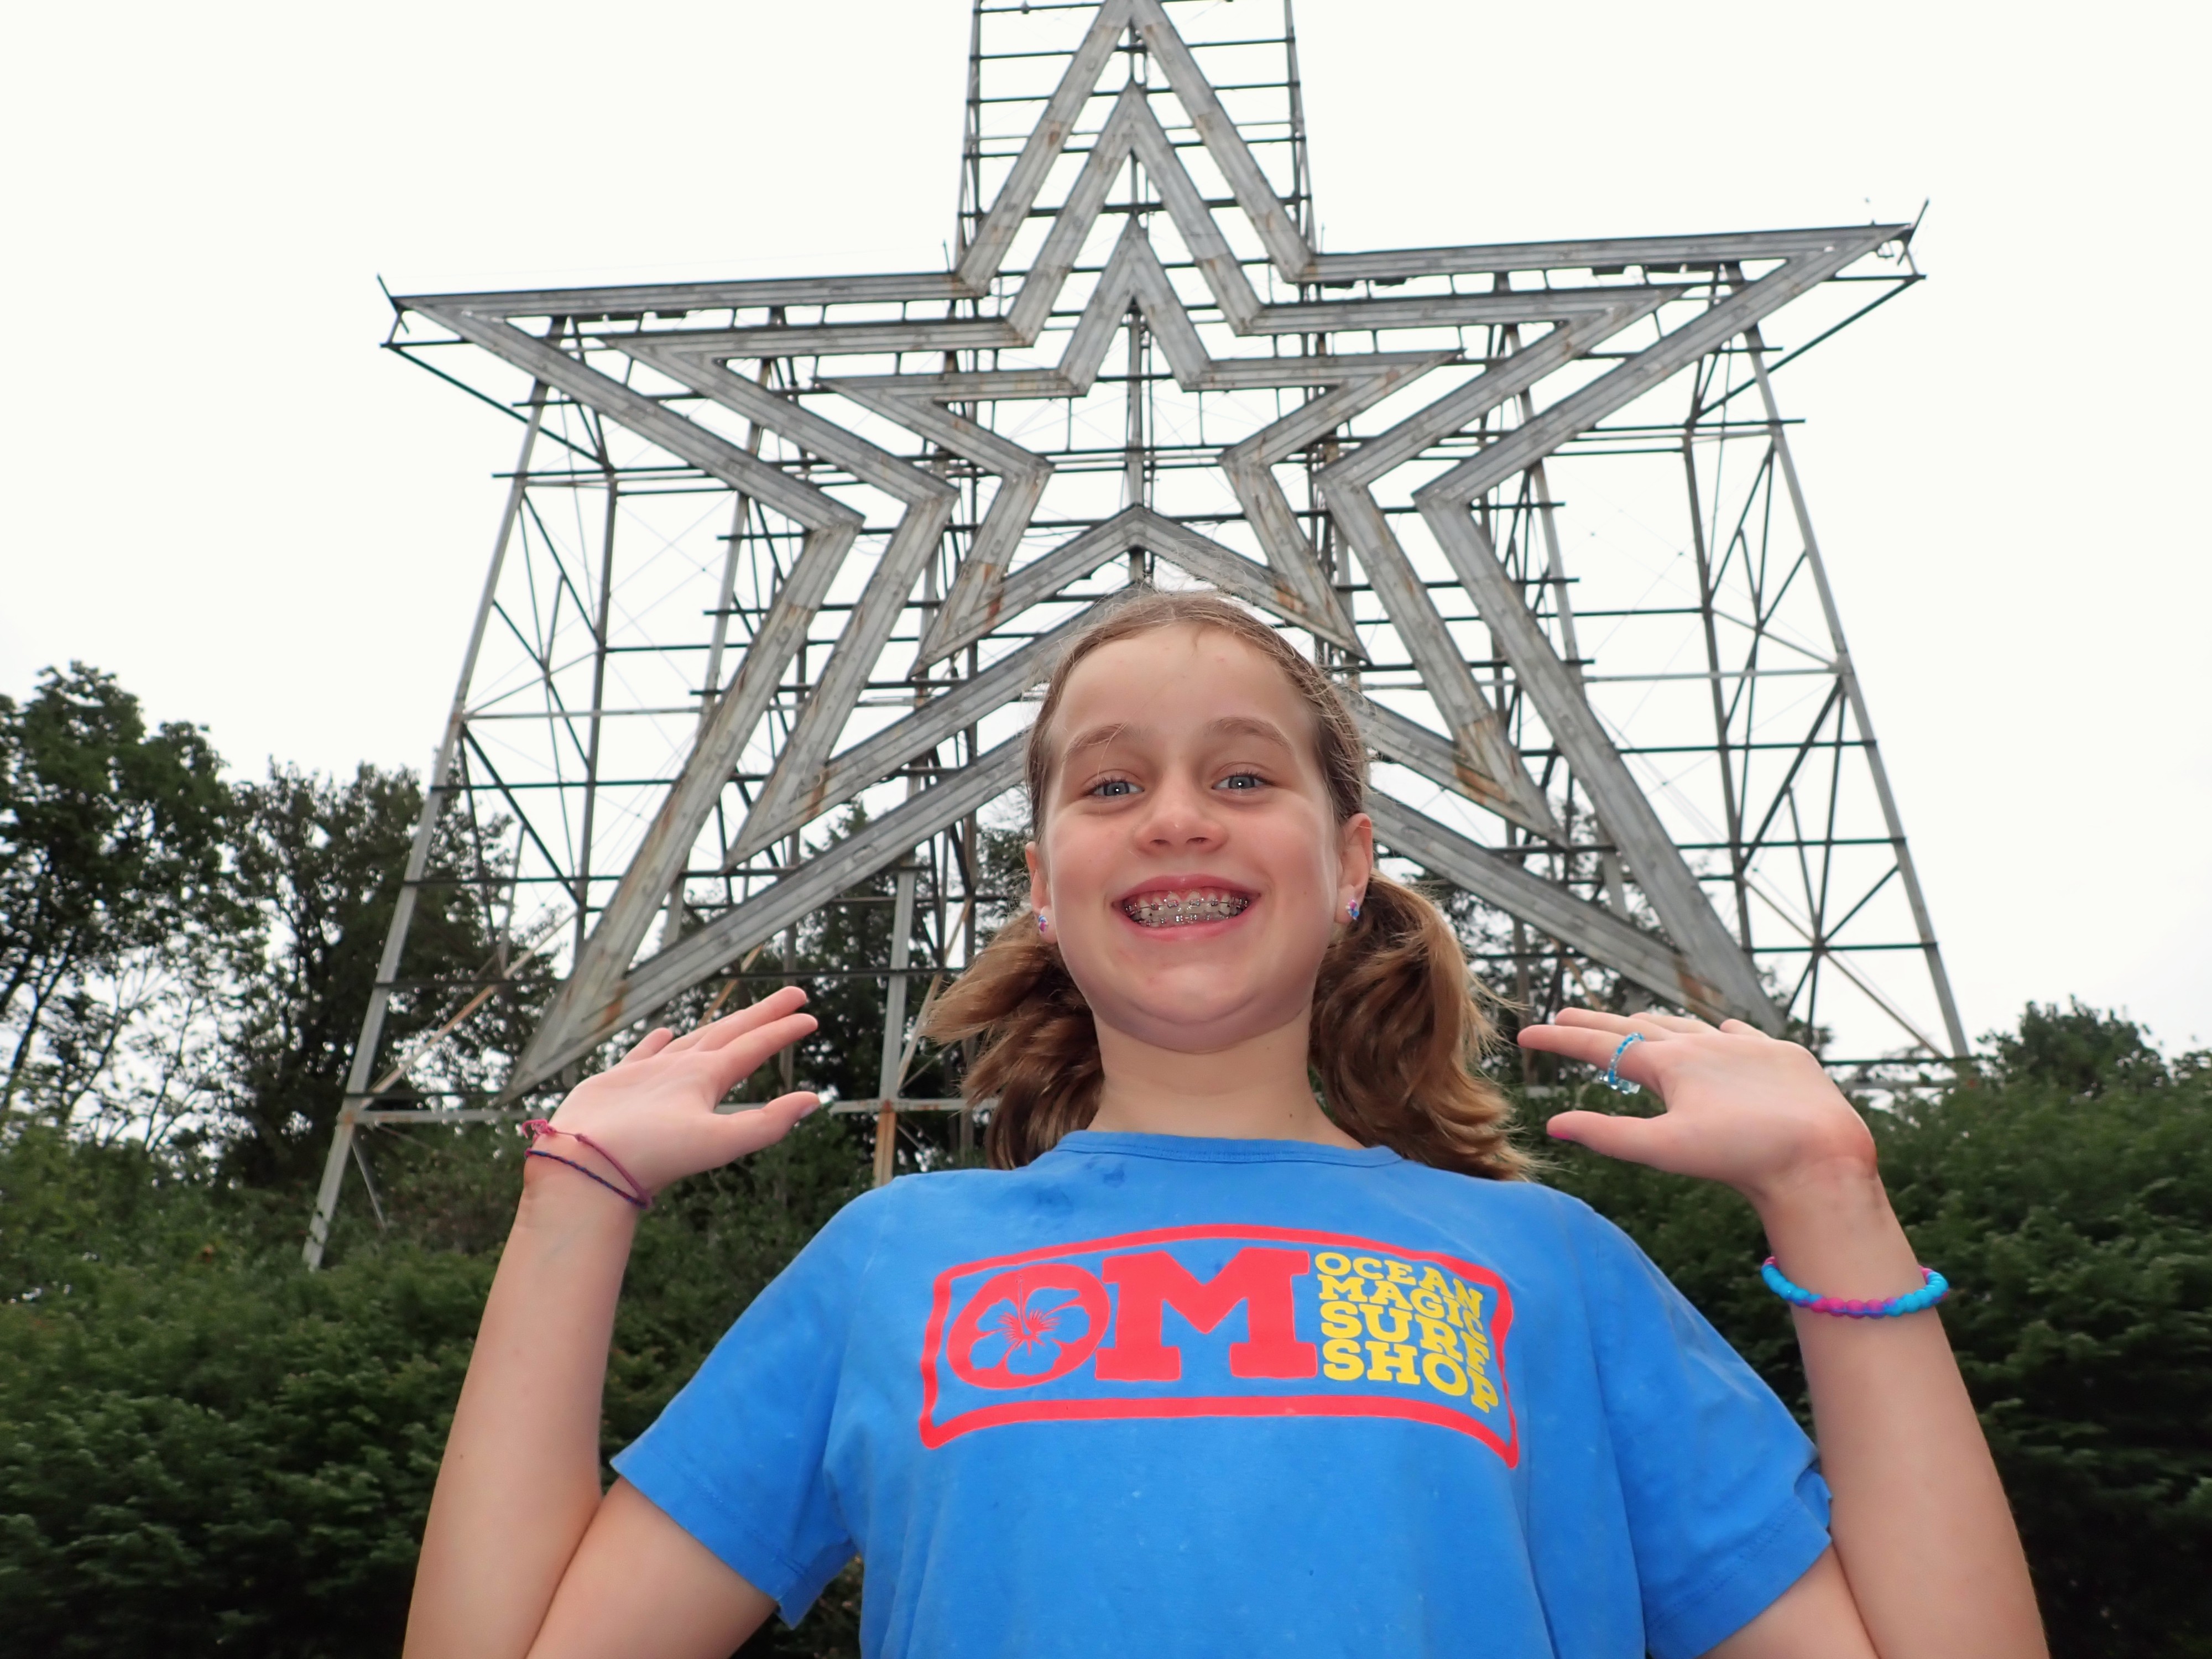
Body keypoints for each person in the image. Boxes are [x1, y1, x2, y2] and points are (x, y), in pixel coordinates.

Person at [404, 592, 2044, 1659]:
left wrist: (1834, 1192)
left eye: (1244, 777)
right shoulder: (894, 1262)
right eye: (1110, 786)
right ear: (1045, 887)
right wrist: (579, 1189)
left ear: (1347, 867)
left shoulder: (1546, 1265)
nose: (1177, 811)